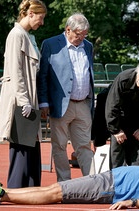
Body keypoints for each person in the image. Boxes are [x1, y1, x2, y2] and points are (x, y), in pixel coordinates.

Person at [0, 0, 47, 188]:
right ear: (30, 14)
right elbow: (15, 71)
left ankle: (31, 189)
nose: (41, 23)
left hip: (28, 100)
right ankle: (17, 190)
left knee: (31, 148)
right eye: (40, 18)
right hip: (20, 100)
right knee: (21, 149)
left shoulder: (27, 36)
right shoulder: (16, 35)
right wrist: (25, 101)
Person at [0, 166, 139, 209]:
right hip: (110, 180)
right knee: (55, 188)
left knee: (55, 193)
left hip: (110, 187)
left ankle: (1, 196)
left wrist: (131, 202)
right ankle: (1, 191)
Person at [37, 13, 95, 181]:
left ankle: (92, 183)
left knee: (84, 146)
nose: (82, 38)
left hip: (83, 103)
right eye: (78, 34)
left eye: (85, 34)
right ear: (68, 30)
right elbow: (43, 76)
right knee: (59, 146)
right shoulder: (50, 44)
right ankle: (64, 184)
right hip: (60, 104)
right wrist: (44, 102)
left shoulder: (88, 46)